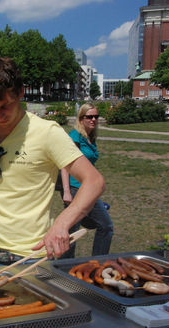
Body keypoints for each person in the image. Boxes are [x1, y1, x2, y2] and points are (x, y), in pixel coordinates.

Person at [0, 57, 105, 268]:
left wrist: (62, 223)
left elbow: (94, 181)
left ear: (21, 92)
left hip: (30, 259)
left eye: (5, 105)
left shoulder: (47, 132)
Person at [59, 103, 114, 258]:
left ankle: (70, 264)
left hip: (88, 188)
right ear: (81, 118)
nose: (93, 119)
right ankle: (96, 262)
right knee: (105, 226)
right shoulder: (75, 136)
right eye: (89, 116)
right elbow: (65, 165)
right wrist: (67, 192)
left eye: (96, 116)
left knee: (72, 230)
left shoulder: (90, 137)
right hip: (76, 188)